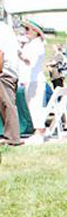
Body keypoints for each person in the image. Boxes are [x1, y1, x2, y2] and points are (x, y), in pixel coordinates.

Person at [20, 20, 47, 144]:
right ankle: (38, 131)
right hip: (30, 79)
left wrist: (19, 53)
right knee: (32, 106)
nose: (26, 31)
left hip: (35, 80)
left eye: (28, 29)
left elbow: (29, 61)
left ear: (35, 31)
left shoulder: (38, 44)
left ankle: (39, 132)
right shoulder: (30, 43)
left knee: (35, 106)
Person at [0, 15, 23, 146]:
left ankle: (13, 137)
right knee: (7, 104)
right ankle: (11, 135)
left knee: (7, 104)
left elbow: (0, 52)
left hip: (5, 70)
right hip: (13, 70)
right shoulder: (7, 29)